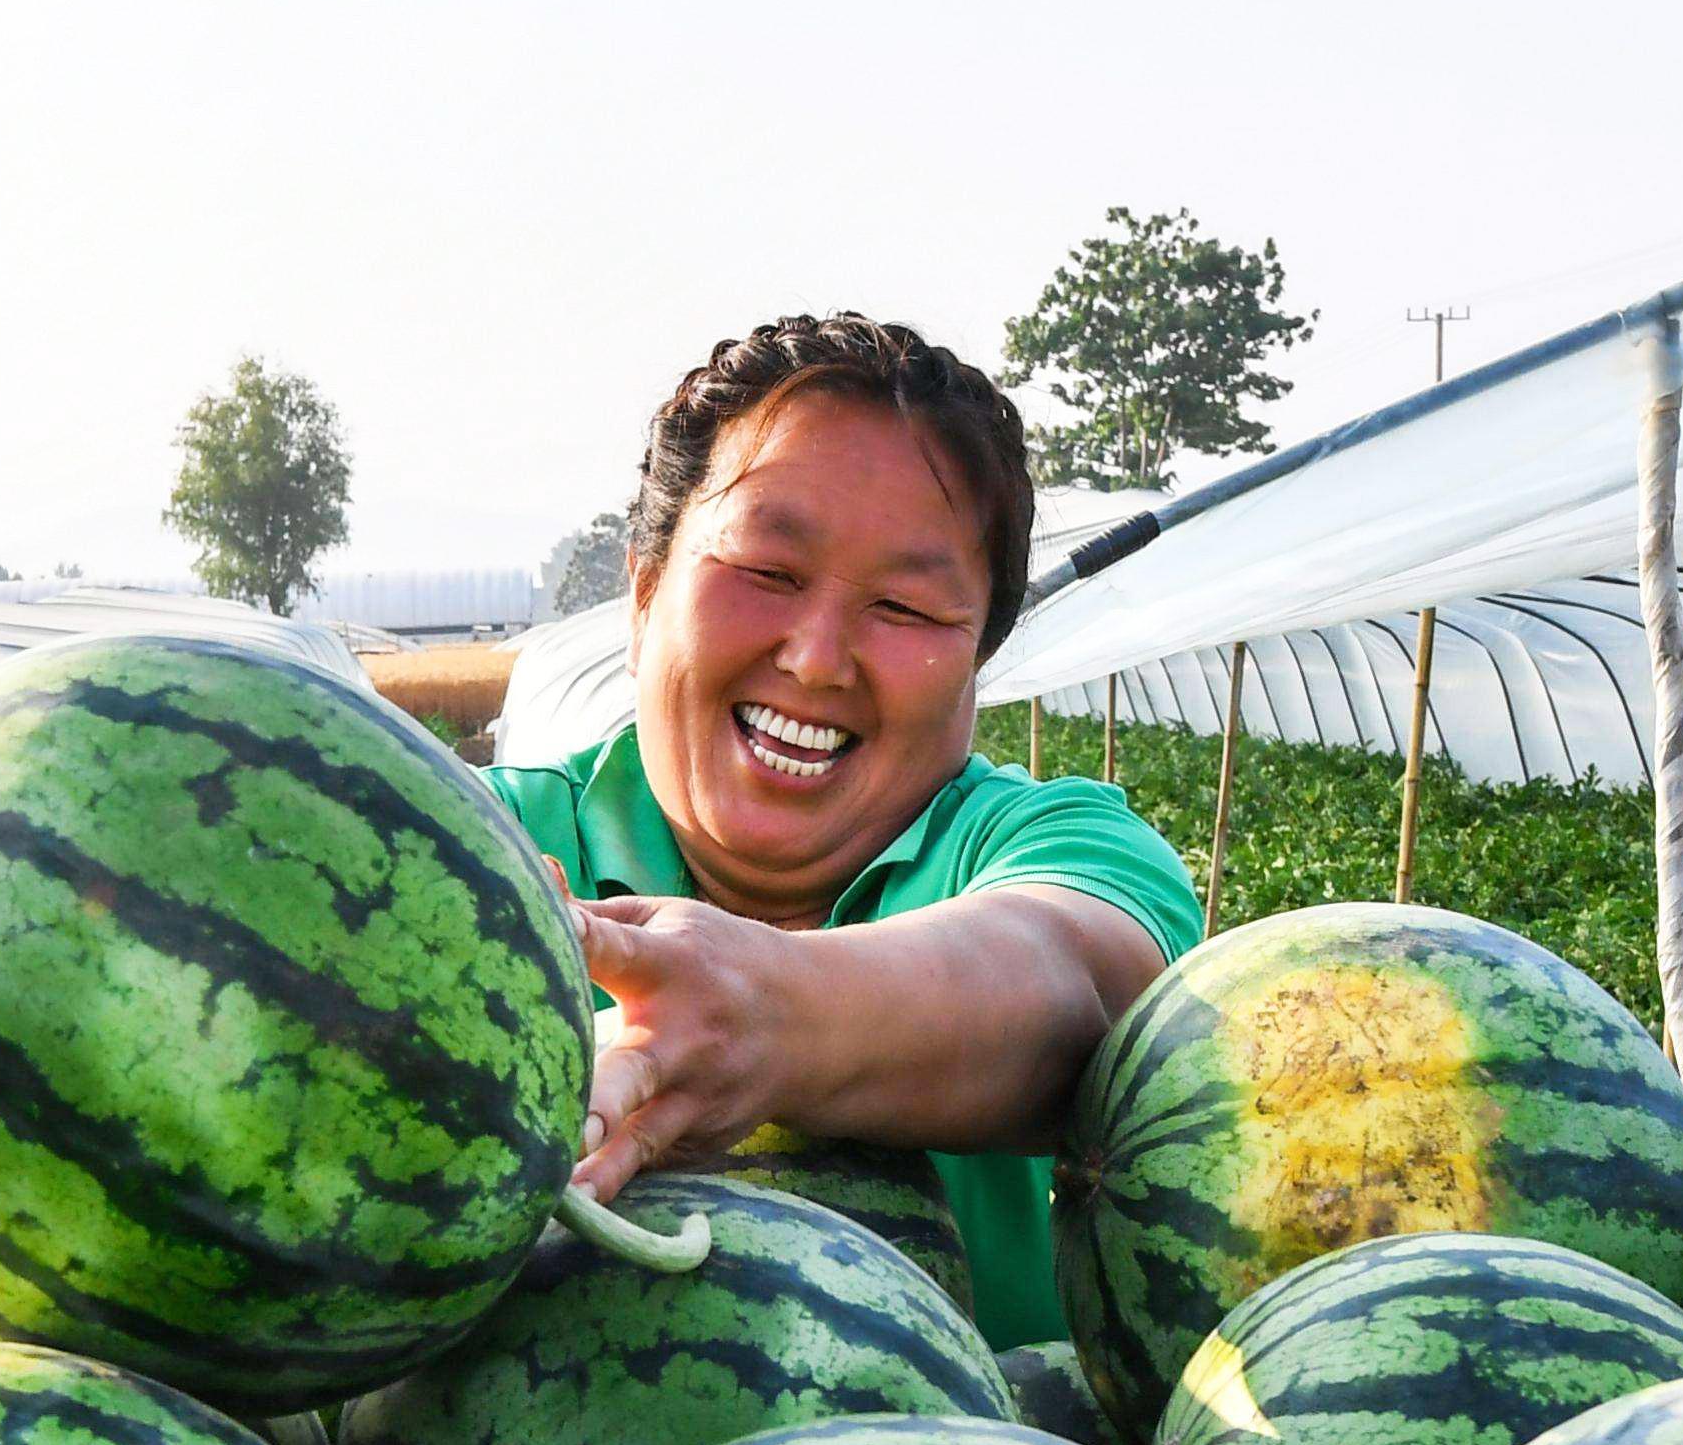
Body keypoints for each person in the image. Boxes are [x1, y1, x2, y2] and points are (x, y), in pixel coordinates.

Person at [487, 314, 1200, 1347]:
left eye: (905, 609)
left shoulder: (1054, 843)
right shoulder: (488, 841)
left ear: (976, 661)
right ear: (643, 594)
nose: (817, 660)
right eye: (767, 574)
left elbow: (1083, 985)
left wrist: (757, 1014)